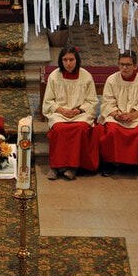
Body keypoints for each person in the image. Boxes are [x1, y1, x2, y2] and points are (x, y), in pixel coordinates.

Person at [42, 45, 99, 180]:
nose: (68, 63)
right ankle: (55, 167)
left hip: (80, 113)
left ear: (77, 60)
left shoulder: (86, 76)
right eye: (65, 60)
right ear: (60, 61)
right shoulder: (54, 76)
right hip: (60, 113)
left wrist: (78, 110)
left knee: (80, 128)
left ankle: (72, 167)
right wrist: (61, 110)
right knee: (58, 129)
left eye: (71, 60)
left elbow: (92, 101)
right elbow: (48, 101)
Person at [95, 51, 138, 174]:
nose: (124, 68)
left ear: (135, 66)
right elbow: (107, 102)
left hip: (136, 117)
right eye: (121, 64)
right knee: (111, 131)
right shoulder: (112, 80)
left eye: (128, 65)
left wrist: (132, 115)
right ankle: (110, 163)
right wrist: (117, 115)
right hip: (115, 116)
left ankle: (133, 165)